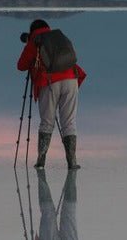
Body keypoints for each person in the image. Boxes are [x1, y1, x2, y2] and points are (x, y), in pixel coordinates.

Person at [17, 18, 86, 169]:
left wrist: (30, 44)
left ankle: (41, 160)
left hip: (49, 82)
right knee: (69, 122)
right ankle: (72, 161)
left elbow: (21, 65)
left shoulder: (35, 40)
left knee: (47, 122)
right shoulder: (58, 36)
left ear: (32, 30)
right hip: (72, 78)